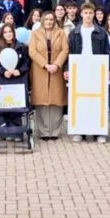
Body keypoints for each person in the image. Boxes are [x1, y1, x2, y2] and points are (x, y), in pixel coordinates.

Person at [65, 3, 110, 143]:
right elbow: (69, 52)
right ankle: (80, 131)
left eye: (91, 13)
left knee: (98, 101)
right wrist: (67, 69)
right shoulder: (74, 33)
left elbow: (107, 51)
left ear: (94, 14)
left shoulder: (102, 32)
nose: (88, 15)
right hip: (79, 69)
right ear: (81, 14)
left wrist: (109, 69)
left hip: (97, 69)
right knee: (80, 101)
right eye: (86, 13)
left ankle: (98, 132)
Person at [29, 11, 69, 141]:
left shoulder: (61, 33)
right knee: (41, 101)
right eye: (46, 19)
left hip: (56, 70)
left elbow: (65, 50)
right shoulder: (35, 33)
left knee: (56, 100)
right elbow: (32, 51)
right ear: (42, 20)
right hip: (40, 70)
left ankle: (55, 131)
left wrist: (56, 64)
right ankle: (43, 131)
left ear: (54, 21)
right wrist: (45, 64)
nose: (49, 22)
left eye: (51, 19)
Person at [0, 23, 30, 139]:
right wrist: (3, 72)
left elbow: (27, 63)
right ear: (2, 34)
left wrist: (19, 71)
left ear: (13, 33)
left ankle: (17, 133)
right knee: (3, 108)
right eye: (5, 32)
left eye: (10, 32)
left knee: (16, 108)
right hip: (1, 81)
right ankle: (4, 133)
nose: (8, 34)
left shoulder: (22, 47)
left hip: (17, 82)